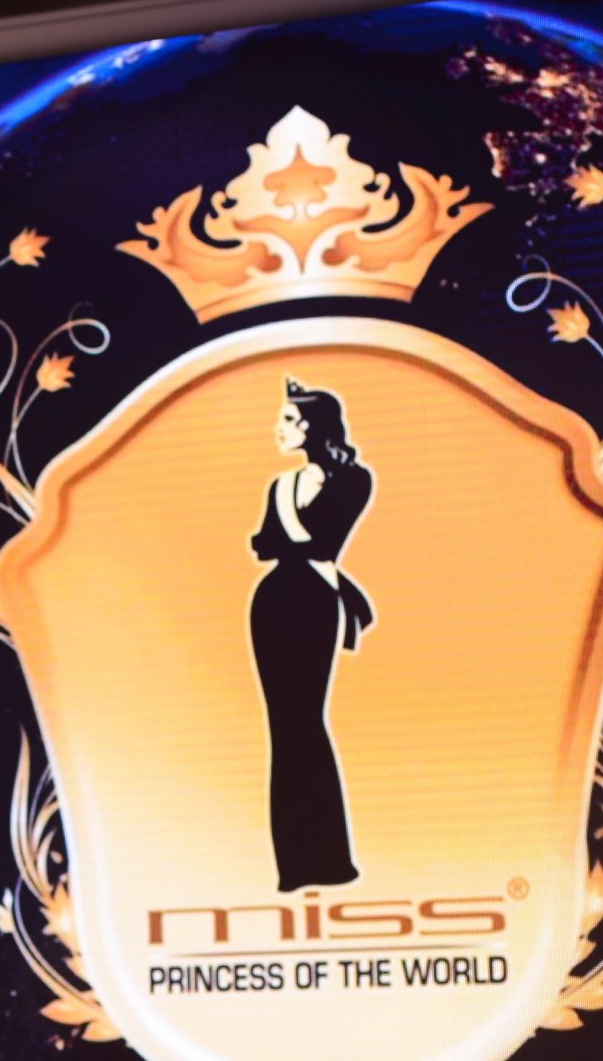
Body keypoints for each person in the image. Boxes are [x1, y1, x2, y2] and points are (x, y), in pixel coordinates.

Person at [248, 378, 373, 893]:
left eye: (287, 420)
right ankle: (295, 866)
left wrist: (286, 532)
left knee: (306, 721)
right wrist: (284, 529)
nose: (278, 429)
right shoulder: (280, 485)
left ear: (311, 426)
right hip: (273, 600)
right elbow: (265, 545)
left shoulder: (354, 479)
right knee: (283, 727)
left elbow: (318, 540)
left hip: (316, 600)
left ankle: (329, 859)